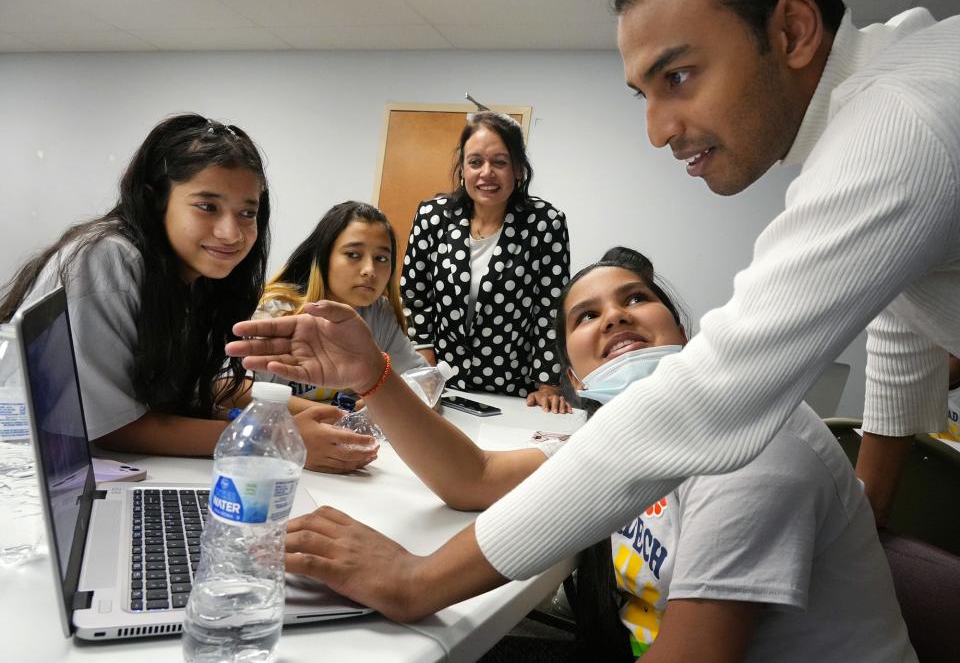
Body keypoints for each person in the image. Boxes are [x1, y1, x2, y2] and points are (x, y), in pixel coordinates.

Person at [227, 0, 960, 631]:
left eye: (678, 76)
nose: (658, 130)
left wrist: (420, 580)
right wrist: (869, 510)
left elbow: (706, 405)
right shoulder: (892, 110)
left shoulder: (897, 121)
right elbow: (903, 319)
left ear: (795, 29)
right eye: (642, 92)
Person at [227, 247, 915, 663]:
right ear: (576, 377)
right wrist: (372, 375)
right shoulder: (624, 433)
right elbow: (474, 478)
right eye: (585, 316)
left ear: (683, 327)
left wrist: (416, 577)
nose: (612, 317)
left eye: (635, 299)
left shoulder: (753, 445)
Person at [0, 113, 374, 474]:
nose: (232, 232)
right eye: (207, 207)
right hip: (26, 478)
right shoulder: (108, 257)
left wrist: (304, 414)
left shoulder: (195, 276)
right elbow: (112, 427)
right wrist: (277, 438)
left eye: (247, 213)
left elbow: (200, 386)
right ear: (156, 199)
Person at [401, 110, 572, 413]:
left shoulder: (545, 223)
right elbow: (415, 295)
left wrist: (547, 385)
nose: (487, 173)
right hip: (440, 383)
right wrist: (424, 361)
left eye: (500, 162)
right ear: (463, 168)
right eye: (476, 162)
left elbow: (550, 308)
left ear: (518, 169)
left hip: (512, 389)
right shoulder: (433, 216)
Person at [256, 200, 426, 404]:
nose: (370, 270)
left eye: (381, 259)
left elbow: (425, 382)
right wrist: (339, 415)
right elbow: (234, 389)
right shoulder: (277, 310)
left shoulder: (378, 312)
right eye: (353, 255)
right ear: (323, 257)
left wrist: (378, 405)